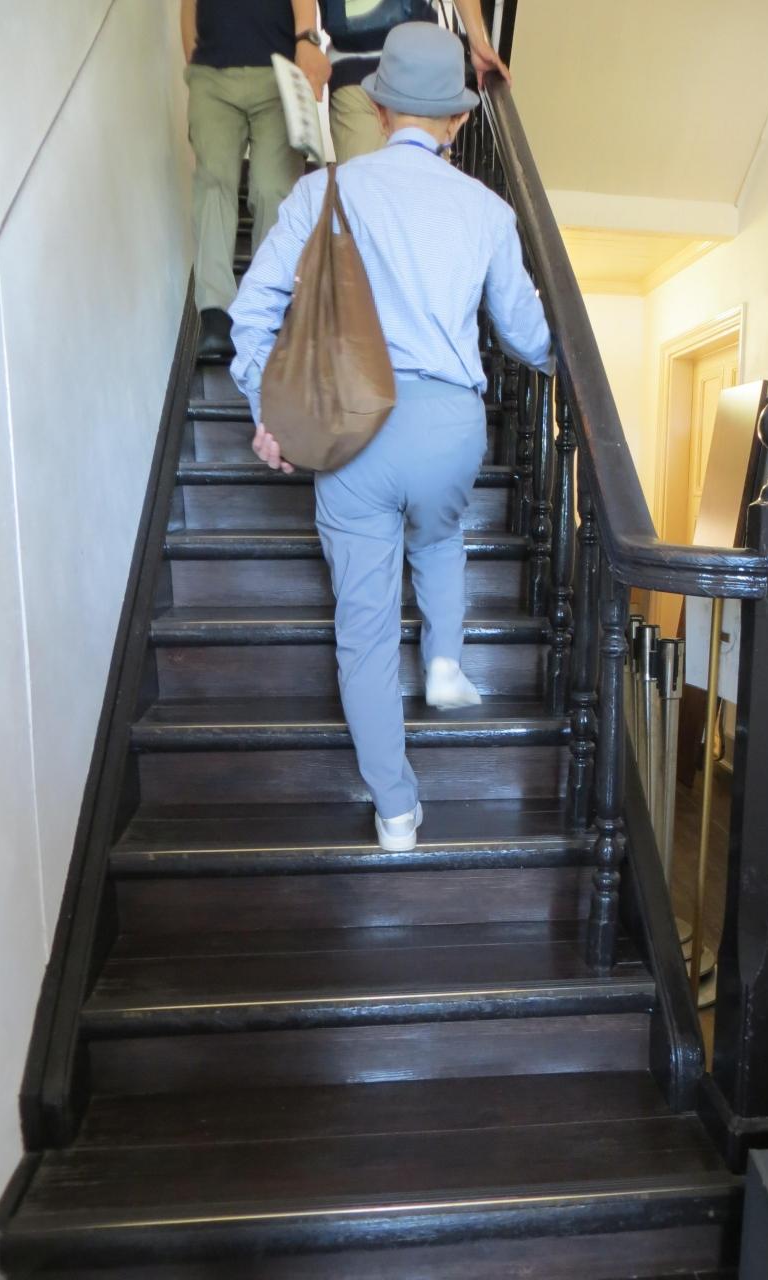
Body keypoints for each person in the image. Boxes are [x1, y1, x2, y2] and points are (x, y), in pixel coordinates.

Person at [230, 23, 553, 852]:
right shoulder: (488, 210)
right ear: (458, 119)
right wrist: (571, 358)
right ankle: (445, 661)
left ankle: (397, 811)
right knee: (440, 537)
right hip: (451, 425)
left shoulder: (324, 191)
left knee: (365, 631)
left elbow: (253, 310)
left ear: (377, 111)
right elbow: (528, 337)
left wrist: (267, 408)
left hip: (354, 425)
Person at [180, 1, 332, 357]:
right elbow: (189, 6)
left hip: (278, 71)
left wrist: (306, 40)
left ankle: (267, 305)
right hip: (211, 76)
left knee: (272, 187)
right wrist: (194, 65)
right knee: (213, 182)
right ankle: (215, 315)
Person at [323, 1, 511, 162]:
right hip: (369, 70)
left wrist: (478, 42)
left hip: (408, 71)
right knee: (416, 180)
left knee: (366, 183)